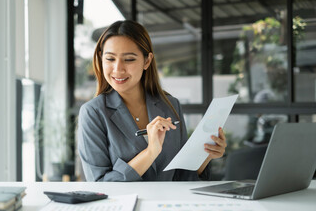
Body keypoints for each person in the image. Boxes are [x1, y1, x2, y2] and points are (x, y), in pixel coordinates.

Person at [77, 20, 227, 181]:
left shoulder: (170, 105)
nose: (118, 69)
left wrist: (206, 155)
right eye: (110, 59)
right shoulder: (93, 112)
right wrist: (150, 152)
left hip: (168, 204)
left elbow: (182, 177)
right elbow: (99, 184)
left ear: (147, 61)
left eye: (129, 59)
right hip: (125, 206)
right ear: (101, 59)